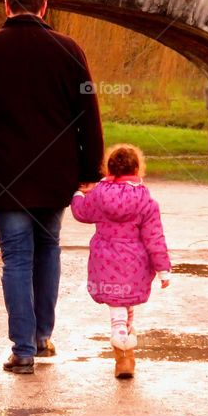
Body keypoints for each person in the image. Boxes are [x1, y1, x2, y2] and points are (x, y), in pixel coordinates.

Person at [0, 0, 104, 374]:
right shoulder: (69, 50)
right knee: (48, 248)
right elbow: (88, 114)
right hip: (56, 174)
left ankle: (21, 350)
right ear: (44, 5)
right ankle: (41, 336)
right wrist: (90, 169)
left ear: (6, 5)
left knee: (16, 257)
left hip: (5, 172)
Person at [70, 144, 171, 379]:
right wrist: (163, 269)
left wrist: (78, 194)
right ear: (137, 168)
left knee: (117, 305)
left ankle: (123, 350)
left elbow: (81, 212)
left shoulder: (98, 195)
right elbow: (154, 237)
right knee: (125, 303)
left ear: (109, 169)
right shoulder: (146, 201)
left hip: (105, 261)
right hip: (134, 263)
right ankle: (125, 352)